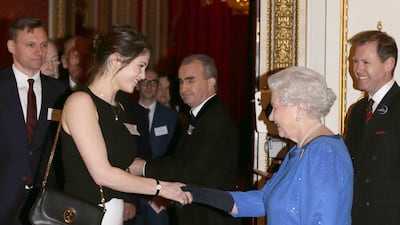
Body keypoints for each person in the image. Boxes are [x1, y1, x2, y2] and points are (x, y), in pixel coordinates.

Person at [182, 66, 354, 225]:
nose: (270, 117)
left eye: (275, 107)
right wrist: (195, 193)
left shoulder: (323, 152)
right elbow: (261, 200)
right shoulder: (299, 150)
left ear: (299, 109)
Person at [60, 25, 190, 225]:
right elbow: (103, 174)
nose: (143, 75)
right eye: (140, 65)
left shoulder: (118, 107)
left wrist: (171, 172)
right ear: (115, 60)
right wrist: (161, 188)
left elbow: (127, 163)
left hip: (112, 215)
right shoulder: (80, 102)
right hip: (83, 216)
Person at [132, 54, 241, 225]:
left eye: (190, 81)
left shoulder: (214, 119)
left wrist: (144, 167)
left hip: (209, 218)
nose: (183, 89)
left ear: (211, 83)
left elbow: (190, 169)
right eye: (181, 82)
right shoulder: (198, 116)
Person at [0, 17, 68, 225]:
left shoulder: (61, 92)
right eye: (30, 45)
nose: (40, 51)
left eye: (43, 45)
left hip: (45, 203)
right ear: (12, 46)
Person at [344, 30, 400, 225]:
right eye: (355, 61)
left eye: (365, 62)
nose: (357, 69)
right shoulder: (358, 111)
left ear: (388, 64)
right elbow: (348, 164)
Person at [133, 69, 181, 225]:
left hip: (159, 193)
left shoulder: (171, 117)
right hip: (131, 190)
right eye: (144, 81)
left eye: (153, 82)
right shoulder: (126, 113)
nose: (149, 86)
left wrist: (165, 192)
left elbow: (175, 155)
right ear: (138, 85)